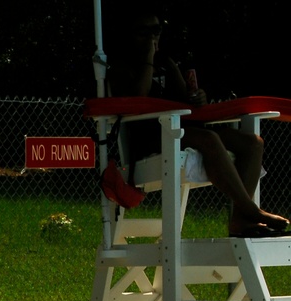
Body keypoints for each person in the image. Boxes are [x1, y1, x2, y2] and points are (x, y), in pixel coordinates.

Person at [104, 3, 289, 237]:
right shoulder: (121, 66)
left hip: (181, 129)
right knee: (208, 139)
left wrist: (198, 97)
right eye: (144, 32)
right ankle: (251, 210)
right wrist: (148, 59)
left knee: (253, 143)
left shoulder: (167, 62)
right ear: (129, 34)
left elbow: (187, 100)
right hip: (148, 137)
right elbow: (138, 97)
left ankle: (241, 220)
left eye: (157, 31)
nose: (152, 37)